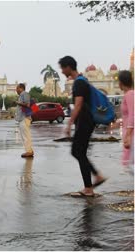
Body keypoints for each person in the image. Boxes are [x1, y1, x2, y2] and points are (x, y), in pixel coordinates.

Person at [59, 56, 107, 197]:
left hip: (85, 122)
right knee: (79, 152)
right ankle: (92, 182)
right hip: (87, 122)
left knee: (77, 152)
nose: (62, 71)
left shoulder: (79, 83)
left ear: (68, 67)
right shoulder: (82, 80)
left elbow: (78, 104)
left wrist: (69, 123)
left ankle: (92, 184)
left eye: (62, 68)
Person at [109, 70, 134, 167]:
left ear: (121, 82)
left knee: (130, 167)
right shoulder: (128, 94)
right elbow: (128, 117)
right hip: (129, 136)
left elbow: (133, 115)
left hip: (132, 136)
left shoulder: (130, 94)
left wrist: (128, 135)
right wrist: (118, 123)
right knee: (129, 167)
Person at [15, 83, 34, 158]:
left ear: (21, 88)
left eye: (17, 88)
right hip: (22, 118)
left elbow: (27, 104)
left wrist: (17, 103)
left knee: (26, 135)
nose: (16, 90)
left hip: (24, 117)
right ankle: (29, 150)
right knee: (24, 136)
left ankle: (29, 151)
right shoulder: (22, 95)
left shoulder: (24, 94)